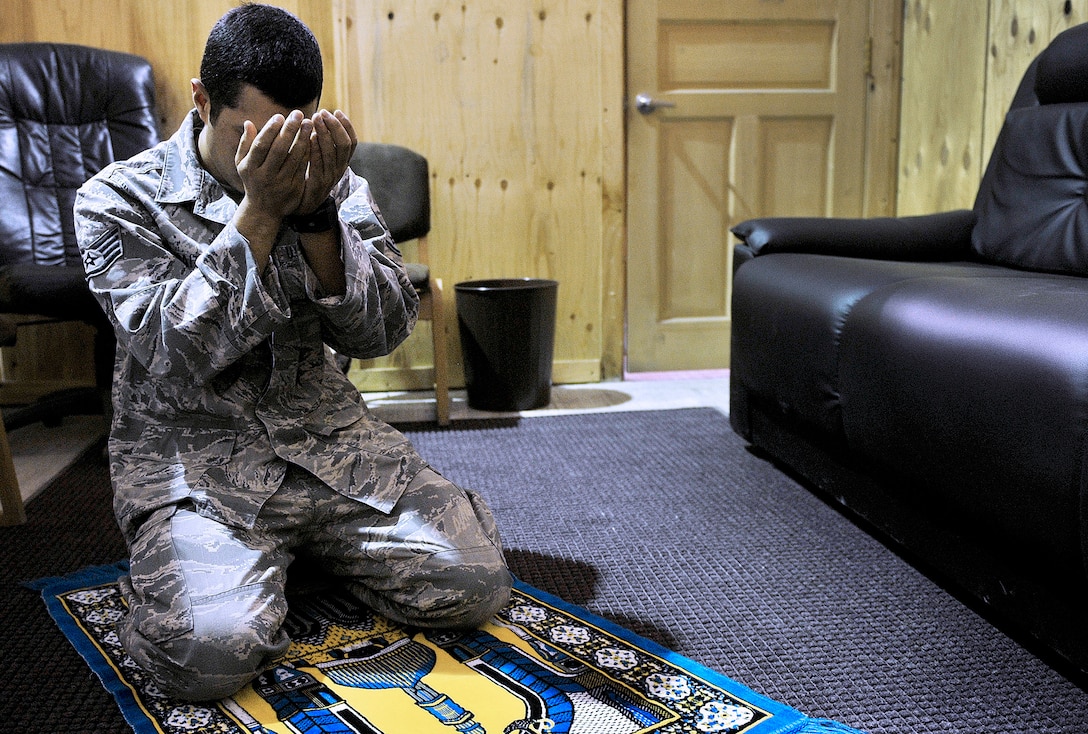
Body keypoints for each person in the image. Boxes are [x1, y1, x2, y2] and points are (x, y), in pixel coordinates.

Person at [74, 3, 511, 702]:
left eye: (293, 131)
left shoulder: (337, 187)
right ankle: (219, 574)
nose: (275, 155)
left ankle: (287, 563)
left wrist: (315, 221)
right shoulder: (116, 200)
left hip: (330, 447)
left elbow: (382, 333)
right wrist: (261, 211)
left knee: (475, 585)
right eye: (253, 134)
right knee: (205, 659)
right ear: (200, 100)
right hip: (198, 467)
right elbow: (172, 352)